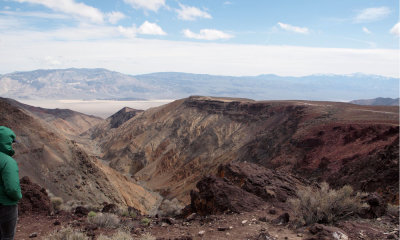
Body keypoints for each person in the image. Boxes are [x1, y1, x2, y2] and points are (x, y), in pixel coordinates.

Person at [0, 126, 22, 240]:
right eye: (11, 142)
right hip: (6, 206)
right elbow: (13, 189)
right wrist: (18, 197)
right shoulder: (8, 162)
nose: (13, 145)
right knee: (6, 236)